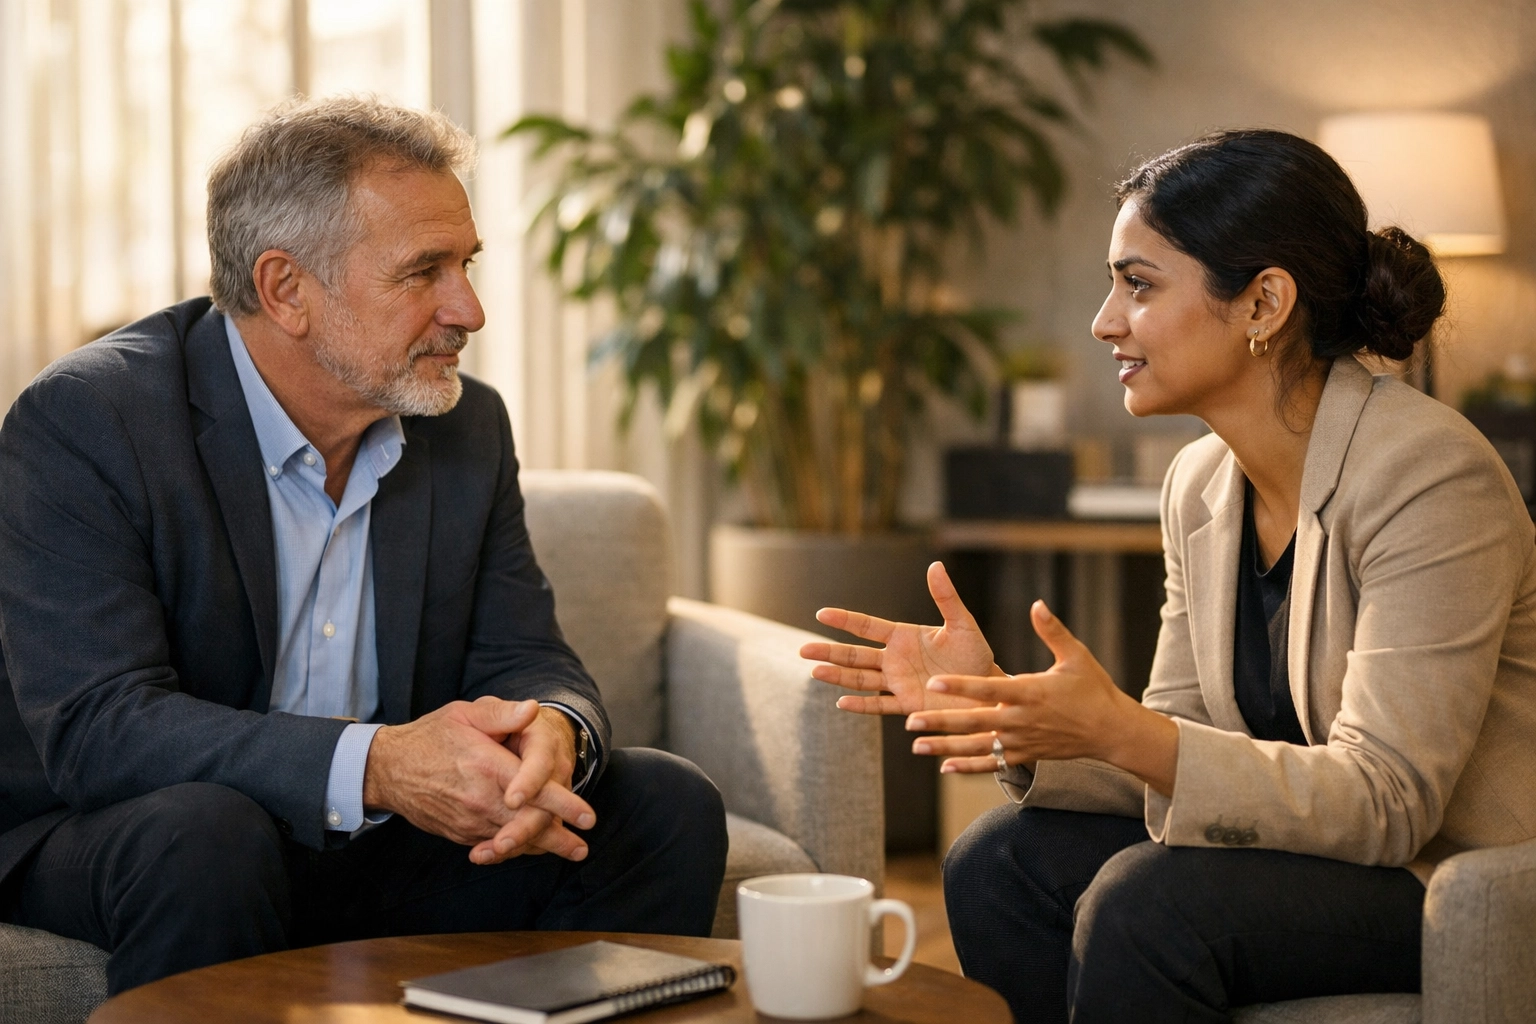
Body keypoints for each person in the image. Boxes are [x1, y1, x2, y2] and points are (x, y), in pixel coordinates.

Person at [802, 129, 1536, 1022]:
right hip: (1315, 851)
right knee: (999, 862)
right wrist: (1006, 703)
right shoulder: (1199, 483)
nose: (1104, 321)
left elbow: (1388, 802)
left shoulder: (1429, 474)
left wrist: (1120, 730)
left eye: (1138, 284)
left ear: (1264, 302)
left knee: (1148, 906)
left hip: (1457, 877)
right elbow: (1182, 738)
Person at [0, 97, 727, 995]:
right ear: (286, 290)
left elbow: (526, 653)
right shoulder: (89, 419)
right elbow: (99, 726)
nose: (470, 309)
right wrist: (380, 766)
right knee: (208, 834)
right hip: (130, 832)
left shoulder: (467, 427)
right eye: (424, 271)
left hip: (377, 850)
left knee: (662, 801)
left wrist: (555, 730)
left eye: (466, 264)